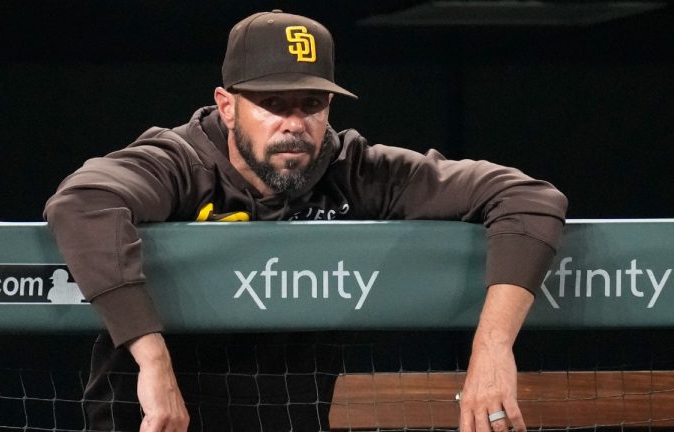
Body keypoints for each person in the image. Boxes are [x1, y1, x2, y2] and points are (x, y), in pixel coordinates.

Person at [44, 10, 567, 432]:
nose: (294, 124)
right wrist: (153, 361)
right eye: (272, 103)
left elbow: (526, 198)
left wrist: (493, 348)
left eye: (312, 104)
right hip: (155, 418)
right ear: (226, 106)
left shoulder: (354, 169)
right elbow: (84, 203)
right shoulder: (179, 161)